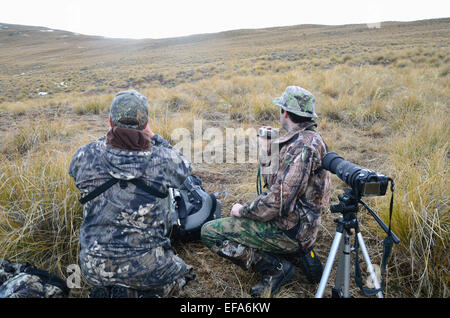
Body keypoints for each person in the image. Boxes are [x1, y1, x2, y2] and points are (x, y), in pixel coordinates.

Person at [201, 86, 331, 297]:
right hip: (301, 225)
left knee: (211, 232)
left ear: (285, 113)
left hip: (292, 231)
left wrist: (242, 211)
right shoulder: (308, 139)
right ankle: (295, 255)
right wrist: (269, 150)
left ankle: (277, 268)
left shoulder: (301, 148)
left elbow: (277, 202)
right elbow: (275, 186)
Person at [69, 90, 194, 298]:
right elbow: (185, 169)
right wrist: (155, 137)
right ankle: (142, 293)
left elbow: (77, 172)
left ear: (110, 121)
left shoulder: (84, 155)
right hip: (150, 268)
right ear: (146, 124)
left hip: (94, 269)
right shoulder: (164, 160)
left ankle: (112, 289)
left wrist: (111, 136)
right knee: (184, 273)